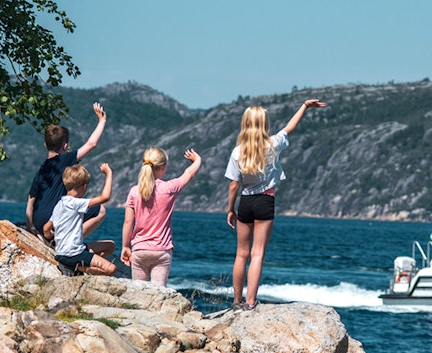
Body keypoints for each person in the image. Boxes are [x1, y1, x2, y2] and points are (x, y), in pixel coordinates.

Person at [225, 99, 326, 310]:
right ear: (264, 124)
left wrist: (230, 209)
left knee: (241, 254)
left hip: (245, 202)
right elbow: (290, 127)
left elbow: (234, 185)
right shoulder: (272, 144)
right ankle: (251, 302)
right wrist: (304, 106)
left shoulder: (237, 151)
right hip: (265, 201)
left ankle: (236, 301)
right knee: (257, 253)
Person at [121, 147, 202, 286]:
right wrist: (198, 160)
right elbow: (189, 173)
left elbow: (128, 222)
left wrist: (125, 246)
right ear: (163, 167)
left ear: (143, 165)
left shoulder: (134, 191)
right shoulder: (169, 188)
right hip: (162, 251)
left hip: (140, 250)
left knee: (139, 293)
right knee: (159, 294)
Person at [26, 102, 108, 241]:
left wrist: (30, 226)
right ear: (65, 146)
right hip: (52, 221)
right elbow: (91, 144)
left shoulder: (43, 169)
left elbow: (30, 201)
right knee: (101, 211)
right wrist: (102, 121)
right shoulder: (64, 160)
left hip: (38, 222)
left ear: (46, 145)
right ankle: (71, 243)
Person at [44, 163, 116, 276]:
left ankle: (84, 263)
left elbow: (46, 228)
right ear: (84, 186)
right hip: (73, 254)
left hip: (62, 252)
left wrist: (49, 234)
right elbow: (105, 197)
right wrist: (109, 174)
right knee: (111, 269)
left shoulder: (60, 204)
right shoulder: (76, 203)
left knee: (110, 245)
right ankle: (79, 268)